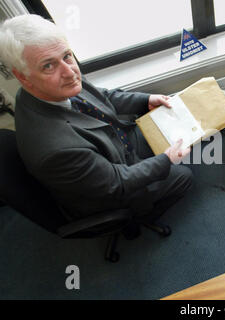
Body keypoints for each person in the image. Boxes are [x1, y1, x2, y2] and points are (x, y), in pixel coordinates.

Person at [0, 14, 192, 229]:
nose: (69, 72)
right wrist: (166, 160)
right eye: (48, 66)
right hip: (109, 186)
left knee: (167, 130)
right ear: (23, 77)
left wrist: (145, 100)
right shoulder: (56, 150)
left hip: (114, 145)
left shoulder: (52, 84)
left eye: (67, 55)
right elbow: (118, 183)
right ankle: (141, 217)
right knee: (183, 176)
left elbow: (102, 97)